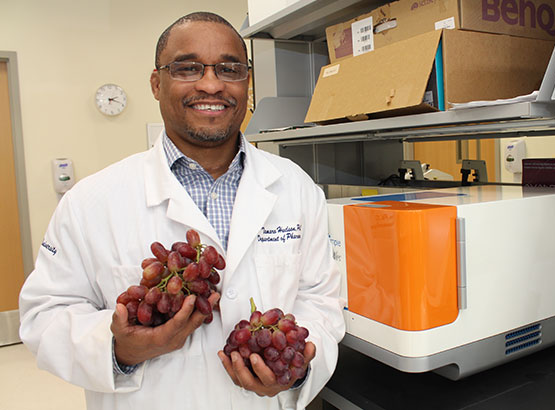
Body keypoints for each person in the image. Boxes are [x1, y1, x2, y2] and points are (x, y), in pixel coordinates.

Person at [19, 11, 345, 410]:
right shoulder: (91, 201)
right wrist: (119, 348)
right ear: (157, 84)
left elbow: (321, 301)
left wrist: (296, 369)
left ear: (247, 83)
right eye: (188, 68)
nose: (211, 84)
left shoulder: (296, 187)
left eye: (230, 69)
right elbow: (45, 316)